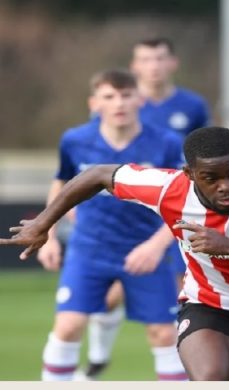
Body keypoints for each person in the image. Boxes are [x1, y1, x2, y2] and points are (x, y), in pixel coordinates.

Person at [2, 126, 229, 381]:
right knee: (210, 378)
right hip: (214, 307)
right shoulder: (167, 188)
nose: (226, 185)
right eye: (210, 177)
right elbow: (96, 174)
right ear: (190, 174)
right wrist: (43, 223)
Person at [32, 69, 187, 381]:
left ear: (140, 100)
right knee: (68, 326)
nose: (119, 103)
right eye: (109, 96)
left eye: (126, 95)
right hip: (89, 249)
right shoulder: (75, 140)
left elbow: (185, 201)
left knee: (164, 333)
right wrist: (48, 234)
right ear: (94, 103)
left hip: (146, 251)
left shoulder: (167, 143)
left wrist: (155, 246)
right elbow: (61, 183)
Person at [80, 37, 212, 380]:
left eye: (159, 58)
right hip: (128, 216)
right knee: (109, 295)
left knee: (186, 295)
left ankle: (188, 366)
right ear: (135, 66)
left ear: (172, 63)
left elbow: (204, 155)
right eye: (146, 59)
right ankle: (97, 360)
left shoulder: (191, 105)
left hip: (174, 214)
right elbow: (91, 152)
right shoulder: (120, 102)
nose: (153, 66)